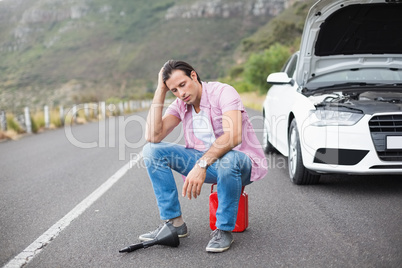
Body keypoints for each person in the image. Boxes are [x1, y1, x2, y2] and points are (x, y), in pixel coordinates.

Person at [141, 60, 267, 252]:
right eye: (174, 90)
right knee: (152, 150)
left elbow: (233, 136)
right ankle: (175, 224)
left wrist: (201, 165)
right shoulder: (181, 104)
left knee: (229, 159)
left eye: (182, 85)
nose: (181, 93)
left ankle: (223, 230)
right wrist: (160, 90)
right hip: (208, 165)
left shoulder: (223, 92)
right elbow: (153, 136)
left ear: (193, 75)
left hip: (239, 164)